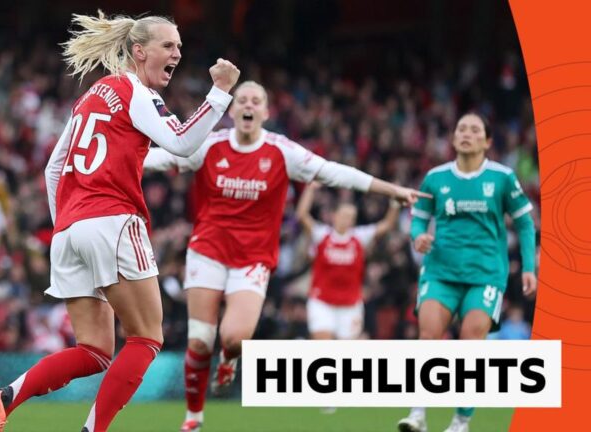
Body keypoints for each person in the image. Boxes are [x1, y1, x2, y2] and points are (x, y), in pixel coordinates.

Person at [0, 11, 240, 432]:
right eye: (168, 45)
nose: (177, 53)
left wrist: (66, 225)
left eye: (179, 46)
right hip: (112, 221)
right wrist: (220, 93)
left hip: (70, 231)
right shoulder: (137, 91)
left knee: (94, 351)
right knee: (147, 337)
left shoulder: (93, 94)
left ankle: (3, 398)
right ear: (139, 51)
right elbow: (183, 143)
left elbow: (53, 168)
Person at [143, 80, 429, 432]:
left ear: (265, 112)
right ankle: (194, 417)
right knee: (200, 341)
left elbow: (333, 172)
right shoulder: (209, 144)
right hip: (207, 251)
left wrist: (391, 190)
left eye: (256, 101)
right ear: (232, 110)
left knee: (234, 338)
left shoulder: (281, 151)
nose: (248, 105)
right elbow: (161, 157)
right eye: (242, 100)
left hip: (253, 259)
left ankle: (230, 357)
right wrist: (111, 160)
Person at [396, 113, 537, 432]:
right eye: (461, 129)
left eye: (474, 130)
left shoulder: (502, 178)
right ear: (453, 138)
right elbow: (419, 218)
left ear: (487, 141)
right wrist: (418, 236)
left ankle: (461, 421)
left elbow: (525, 223)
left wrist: (529, 267)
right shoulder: (436, 178)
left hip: (485, 275)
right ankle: (418, 413)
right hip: (440, 272)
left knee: (470, 344)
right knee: (428, 337)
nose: (466, 134)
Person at [296, 181, 400, 342]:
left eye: (351, 217)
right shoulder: (322, 234)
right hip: (322, 301)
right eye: (344, 215)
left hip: (350, 303)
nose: (347, 220)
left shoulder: (360, 237)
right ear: (334, 216)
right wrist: (310, 189)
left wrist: (395, 203)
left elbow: (387, 225)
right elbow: (302, 215)